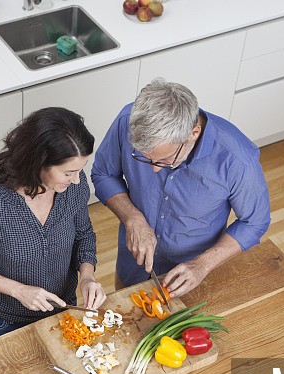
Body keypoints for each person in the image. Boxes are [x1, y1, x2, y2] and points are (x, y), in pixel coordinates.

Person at [91, 78, 271, 298]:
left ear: (193, 133)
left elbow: (254, 222)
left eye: (164, 159)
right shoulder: (128, 120)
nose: (156, 170)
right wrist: (132, 218)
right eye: (145, 159)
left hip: (192, 277)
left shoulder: (238, 158)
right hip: (132, 266)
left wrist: (202, 265)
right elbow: (103, 173)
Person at [0, 107, 107, 342]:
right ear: (38, 163)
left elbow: (83, 234)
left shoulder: (73, 187)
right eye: (68, 172)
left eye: (80, 170)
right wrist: (19, 290)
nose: (77, 179)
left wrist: (87, 276)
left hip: (63, 310)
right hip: (5, 321)